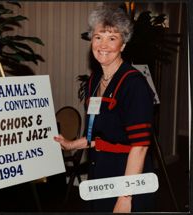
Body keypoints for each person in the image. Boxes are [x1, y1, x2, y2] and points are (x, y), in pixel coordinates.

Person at [54, 6, 155, 213]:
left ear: (123, 44)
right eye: (98, 37)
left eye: (112, 38)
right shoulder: (94, 81)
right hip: (99, 170)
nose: (103, 45)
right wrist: (71, 144)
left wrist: (125, 197)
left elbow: (140, 146)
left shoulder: (134, 84)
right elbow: (100, 134)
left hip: (127, 175)